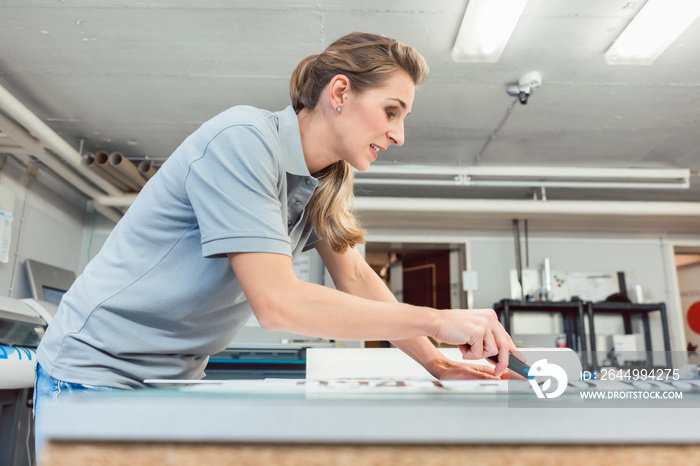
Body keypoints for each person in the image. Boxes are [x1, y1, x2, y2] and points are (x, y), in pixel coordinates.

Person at [33, 31, 522, 454]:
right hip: (96, 371)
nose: (398, 135)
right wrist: (438, 320)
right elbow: (277, 303)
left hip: (171, 379)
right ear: (340, 92)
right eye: (391, 111)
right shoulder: (242, 141)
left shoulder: (323, 181)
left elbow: (355, 276)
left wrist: (437, 362)